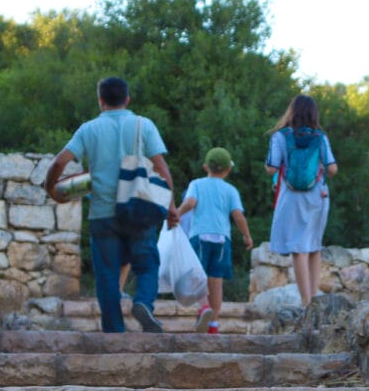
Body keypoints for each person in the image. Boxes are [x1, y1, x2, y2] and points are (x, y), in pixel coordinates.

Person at [45, 76, 178, 333]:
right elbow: (162, 170)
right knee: (148, 263)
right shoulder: (144, 125)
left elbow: (60, 163)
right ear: (127, 99)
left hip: (102, 215)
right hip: (139, 209)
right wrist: (171, 208)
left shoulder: (88, 129)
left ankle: (114, 334)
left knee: (107, 275)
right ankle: (143, 303)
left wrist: (50, 187)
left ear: (100, 101)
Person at [264, 94, 338, 307]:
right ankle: (314, 299)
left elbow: (271, 167)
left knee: (299, 248)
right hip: (318, 196)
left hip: (291, 197)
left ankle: (305, 302)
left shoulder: (280, 136)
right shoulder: (320, 137)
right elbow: (332, 168)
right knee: (314, 246)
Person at [178, 147, 253, 333]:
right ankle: (214, 323)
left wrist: (175, 215)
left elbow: (190, 203)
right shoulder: (231, 190)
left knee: (198, 275)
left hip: (200, 236)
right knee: (216, 281)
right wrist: (246, 236)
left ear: (205, 167)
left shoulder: (196, 184)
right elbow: (237, 215)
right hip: (222, 239)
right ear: (228, 170)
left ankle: (204, 306)